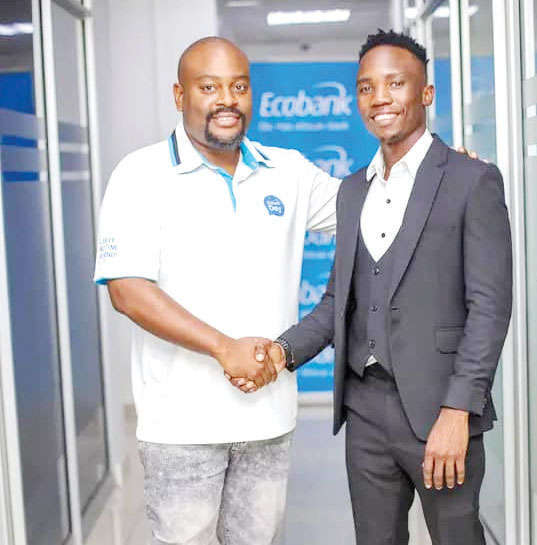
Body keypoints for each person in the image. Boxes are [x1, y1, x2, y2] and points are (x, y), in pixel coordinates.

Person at [233, 29, 513, 545]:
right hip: (364, 412)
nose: (379, 97)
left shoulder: (471, 180)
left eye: (395, 83)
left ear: (426, 93)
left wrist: (458, 410)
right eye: (366, 87)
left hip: (441, 408)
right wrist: (281, 351)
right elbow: (337, 301)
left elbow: (490, 309)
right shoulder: (351, 190)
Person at [93, 37, 342, 545]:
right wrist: (222, 347)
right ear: (179, 95)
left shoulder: (289, 171)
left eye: (239, 87)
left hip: (268, 420)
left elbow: (373, 205)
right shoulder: (140, 174)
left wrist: (438, 173)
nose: (227, 100)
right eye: (209, 87)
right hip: (181, 427)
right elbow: (127, 290)